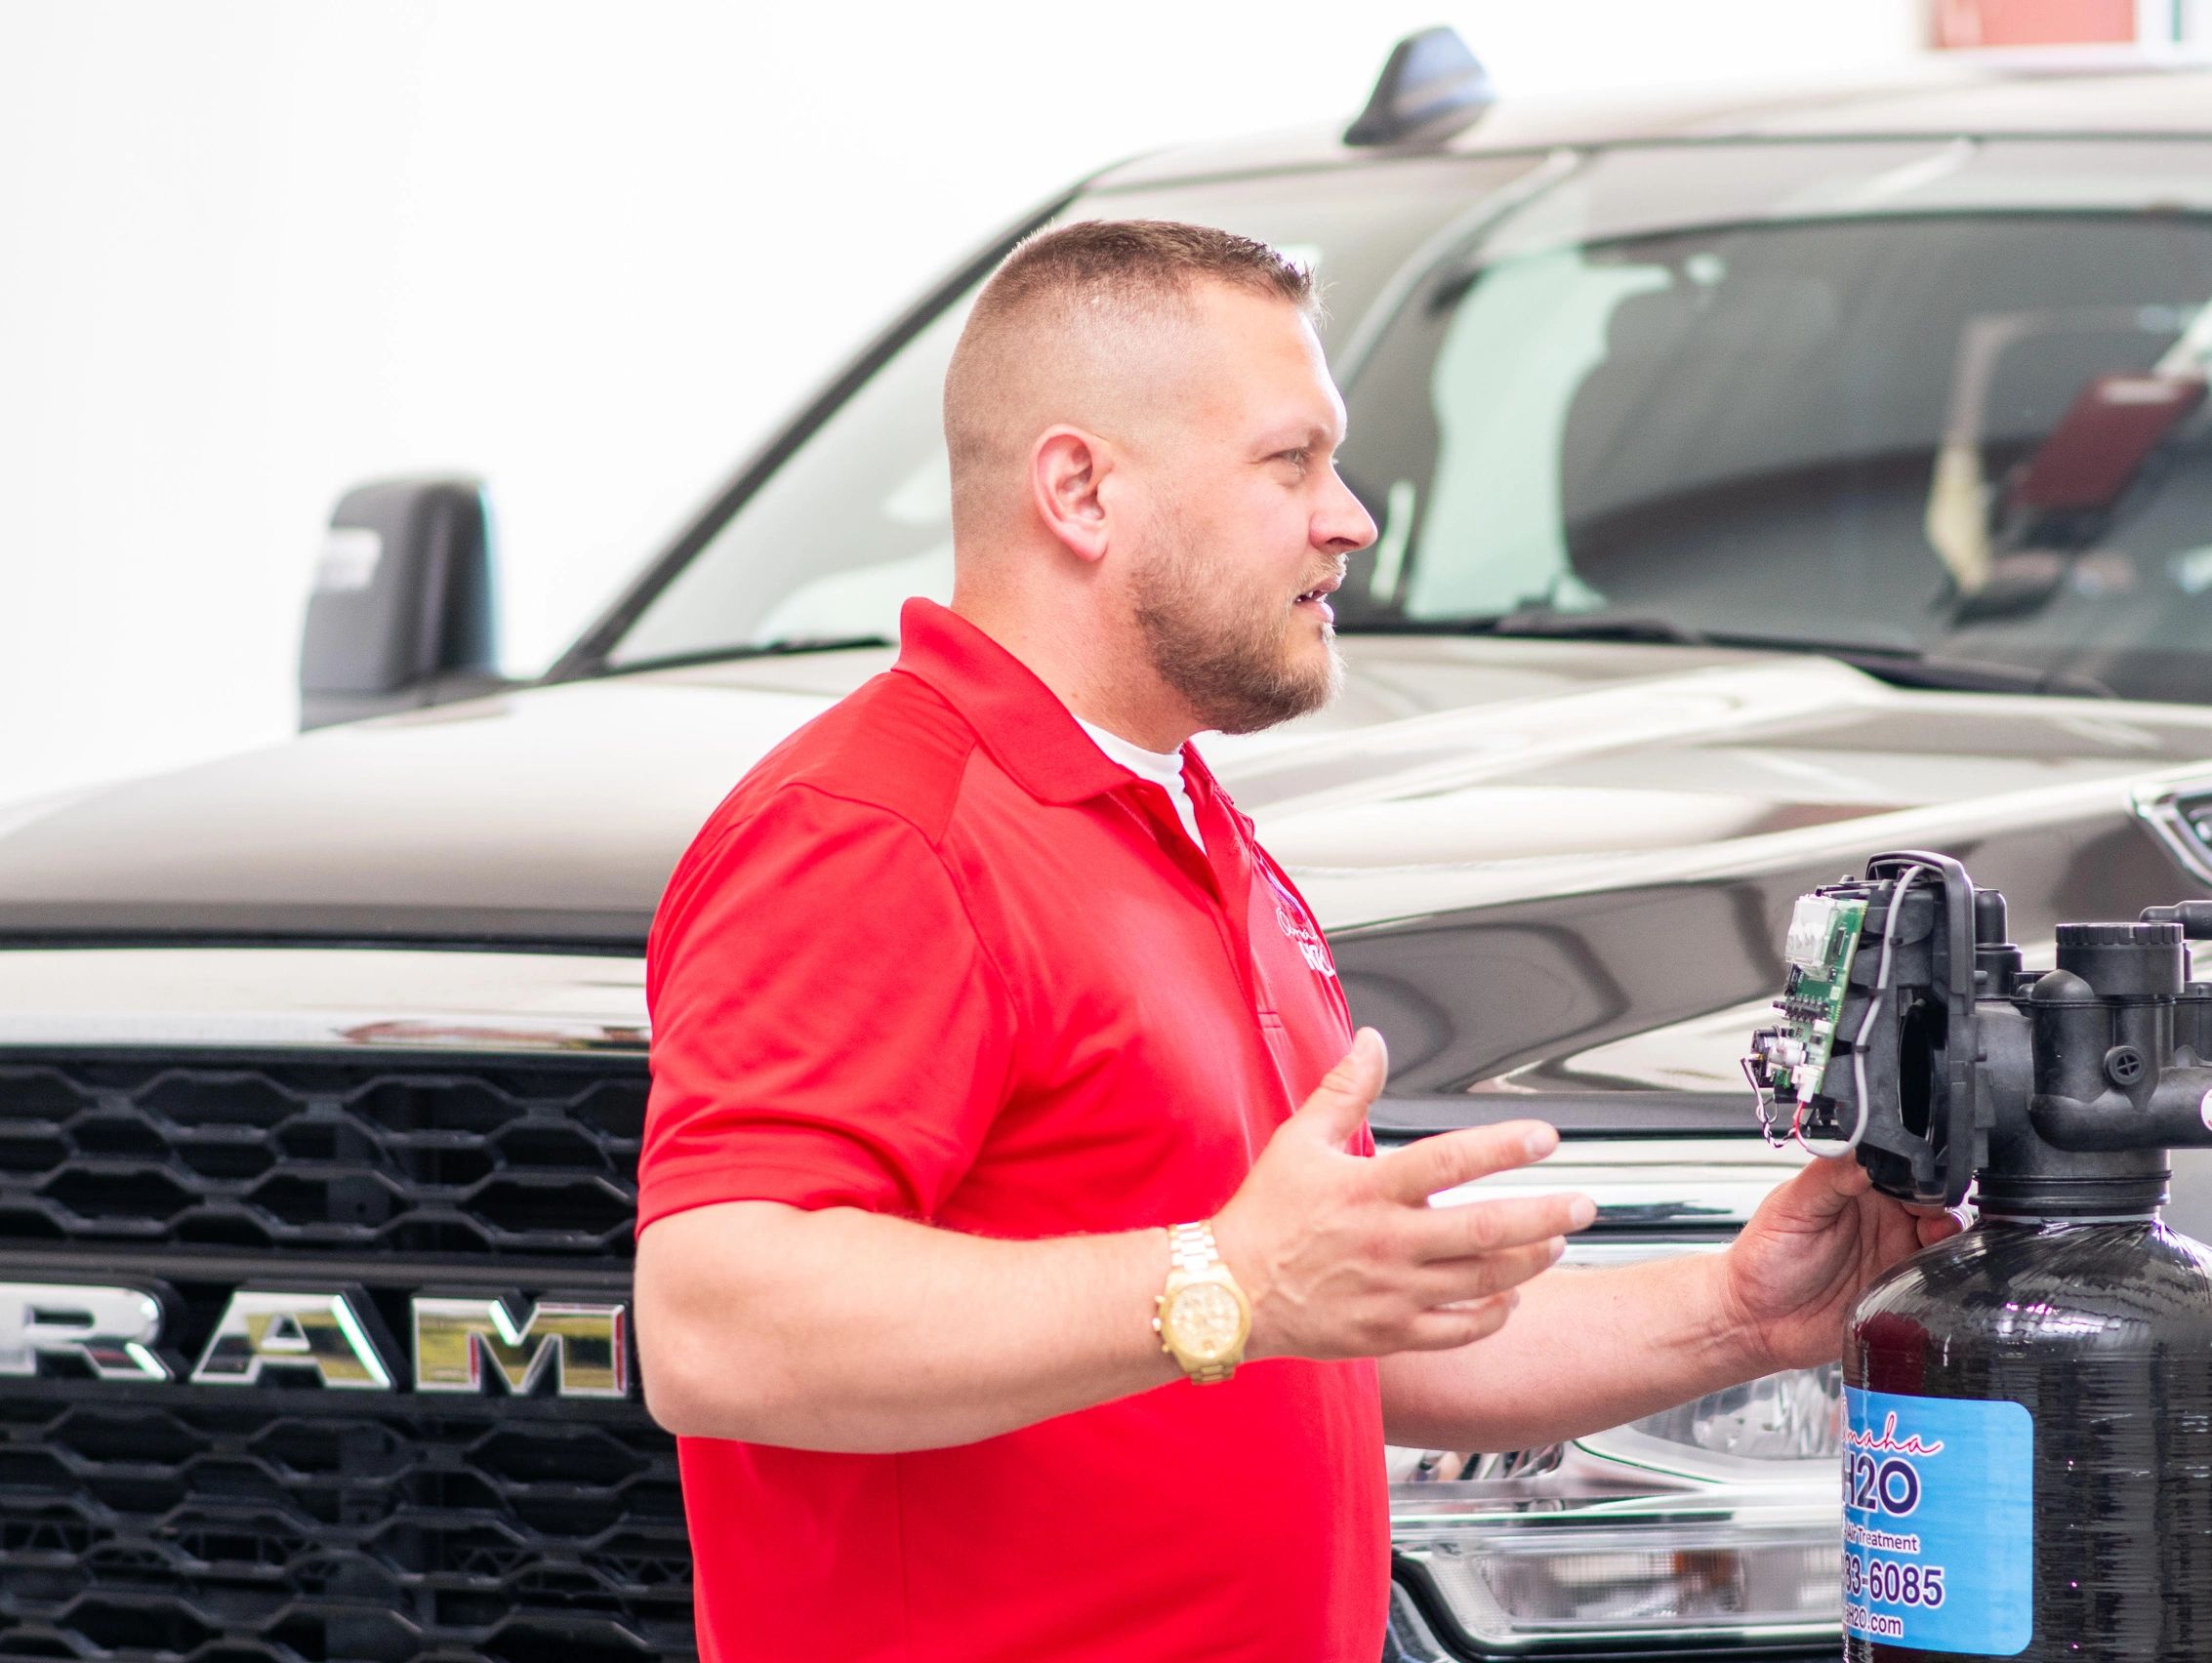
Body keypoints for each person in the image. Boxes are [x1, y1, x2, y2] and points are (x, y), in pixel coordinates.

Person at [633, 219, 1959, 1663]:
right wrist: (1227, 1280)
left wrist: (1738, 1315)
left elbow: (1316, 1333)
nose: (1350, 518)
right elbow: (718, 1323)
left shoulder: (1182, 814)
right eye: (1290, 462)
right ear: (1078, 489)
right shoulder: (882, 830)